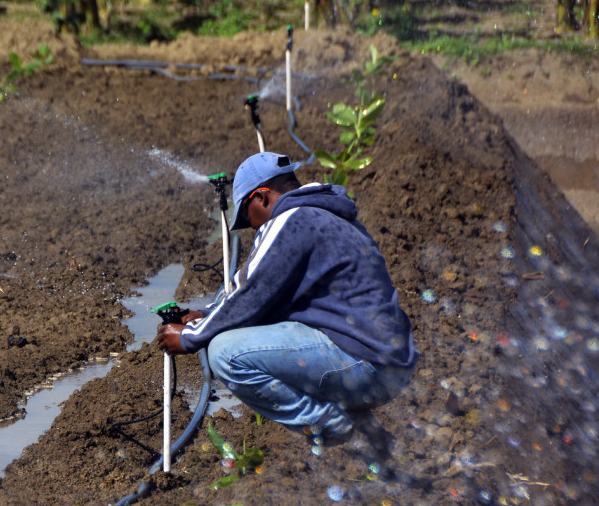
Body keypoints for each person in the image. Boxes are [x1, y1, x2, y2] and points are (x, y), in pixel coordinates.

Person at [157, 151, 418, 453]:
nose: (253, 228)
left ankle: (334, 426)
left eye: (247, 216)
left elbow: (251, 296)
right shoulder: (328, 215)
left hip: (365, 363)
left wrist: (189, 337)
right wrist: (205, 313)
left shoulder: (289, 220)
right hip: (391, 363)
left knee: (225, 353)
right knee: (261, 330)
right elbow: (261, 293)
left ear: (262, 198)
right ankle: (363, 424)